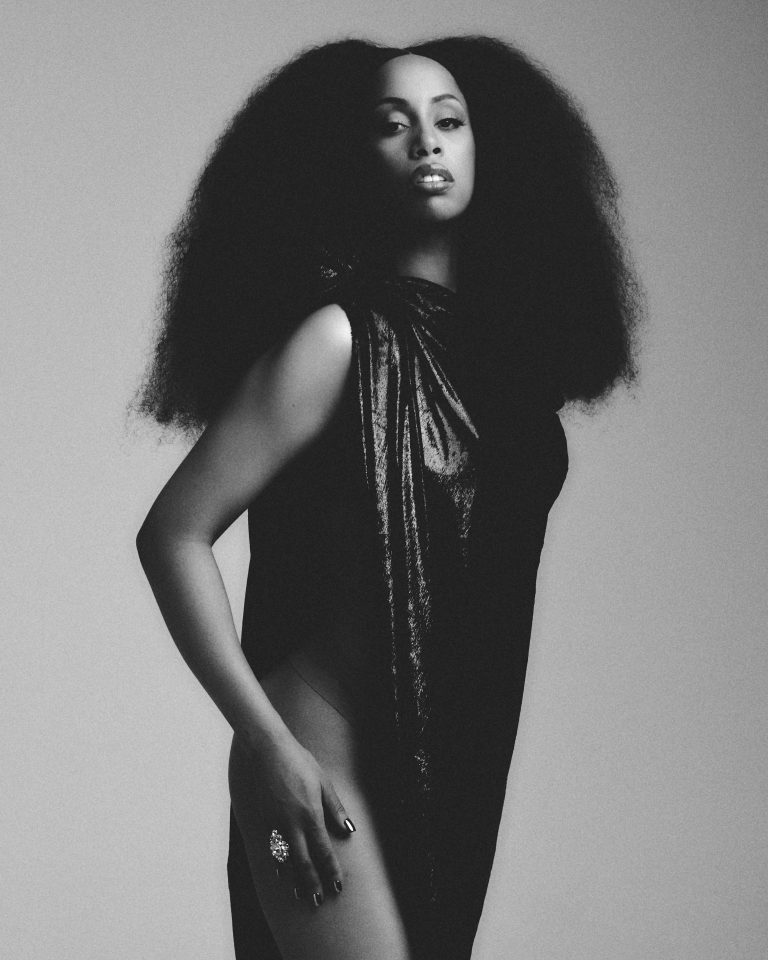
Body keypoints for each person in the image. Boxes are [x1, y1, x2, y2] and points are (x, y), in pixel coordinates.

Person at [132, 35, 641, 960]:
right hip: (303, 781)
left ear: (493, 151)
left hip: (444, 773)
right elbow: (172, 534)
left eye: (450, 121)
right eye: (391, 124)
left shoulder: (511, 377)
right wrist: (268, 746)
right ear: (347, 163)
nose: (426, 142)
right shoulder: (337, 342)